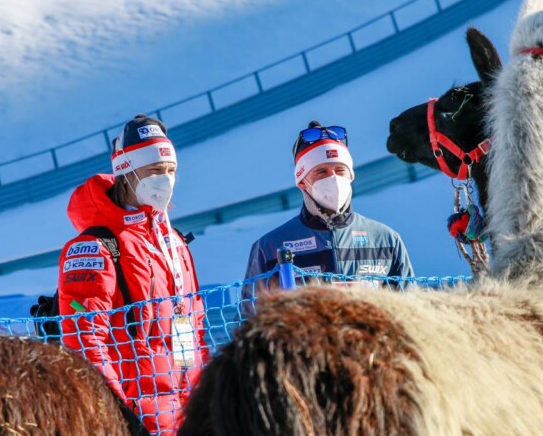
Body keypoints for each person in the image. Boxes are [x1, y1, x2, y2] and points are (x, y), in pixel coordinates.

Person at [58, 114, 208, 435]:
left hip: (184, 413)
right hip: (132, 416)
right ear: (126, 172)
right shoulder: (95, 247)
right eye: (154, 171)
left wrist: (202, 397)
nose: (165, 180)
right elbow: (85, 340)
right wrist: (119, 416)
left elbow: (192, 325)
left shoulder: (173, 242)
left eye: (170, 172)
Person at [243, 121, 414, 310]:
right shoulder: (270, 246)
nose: (333, 178)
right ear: (302, 182)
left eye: (340, 170)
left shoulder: (386, 239)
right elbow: (251, 318)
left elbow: (410, 311)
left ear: (350, 177)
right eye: (321, 172)